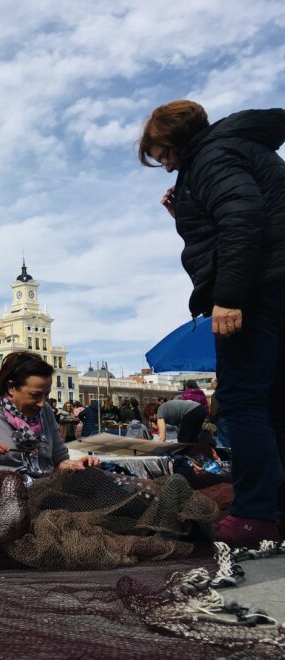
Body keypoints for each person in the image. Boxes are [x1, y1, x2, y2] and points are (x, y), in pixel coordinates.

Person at [139, 100, 285, 545]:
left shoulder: (211, 156)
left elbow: (243, 220)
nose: (164, 165)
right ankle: (275, 510)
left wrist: (228, 297)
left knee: (242, 402)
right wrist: (185, 212)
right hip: (277, 285)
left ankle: (255, 514)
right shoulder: (237, 148)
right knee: (276, 403)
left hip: (258, 289)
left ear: (177, 138)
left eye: (162, 152)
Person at [0, 352, 99, 477]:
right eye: (35, 395)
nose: (42, 403)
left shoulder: (45, 412)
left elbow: (59, 462)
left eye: (46, 395)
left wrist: (77, 465)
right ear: (11, 387)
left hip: (45, 495)